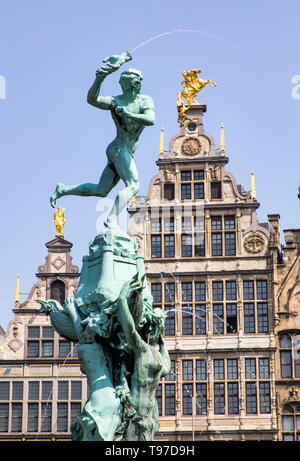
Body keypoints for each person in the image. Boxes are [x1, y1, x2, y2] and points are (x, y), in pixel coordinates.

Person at [50, 52, 155, 228]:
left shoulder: (145, 100)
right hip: (118, 149)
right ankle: (111, 219)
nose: (137, 86)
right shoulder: (116, 101)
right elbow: (92, 100)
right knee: (133, 185)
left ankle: (64, 189)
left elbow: (150, 119)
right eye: (124, 83)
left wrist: (127, 113)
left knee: (101, 190)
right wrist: (99, 79)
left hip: (124, 151)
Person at [116, 276, 171, 441]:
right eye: (155, 328)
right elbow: (129, 328)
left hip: (148, 416)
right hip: (136, 412)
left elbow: (167, 366)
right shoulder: (145, 351)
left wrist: (162, 342)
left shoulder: (152, 354)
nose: (155, 331)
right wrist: (121, 300)